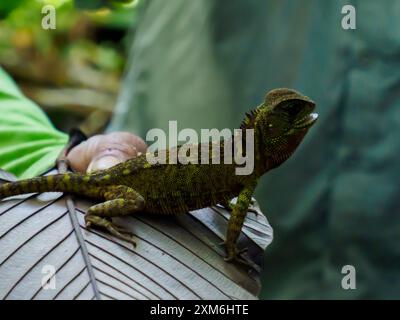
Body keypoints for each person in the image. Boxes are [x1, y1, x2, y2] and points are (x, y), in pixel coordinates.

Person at [108, 0, 400, 299]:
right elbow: (235, 223)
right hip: (163, 269)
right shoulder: (246, 168)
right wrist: (232, 250)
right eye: (288, 114)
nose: (300, 114)